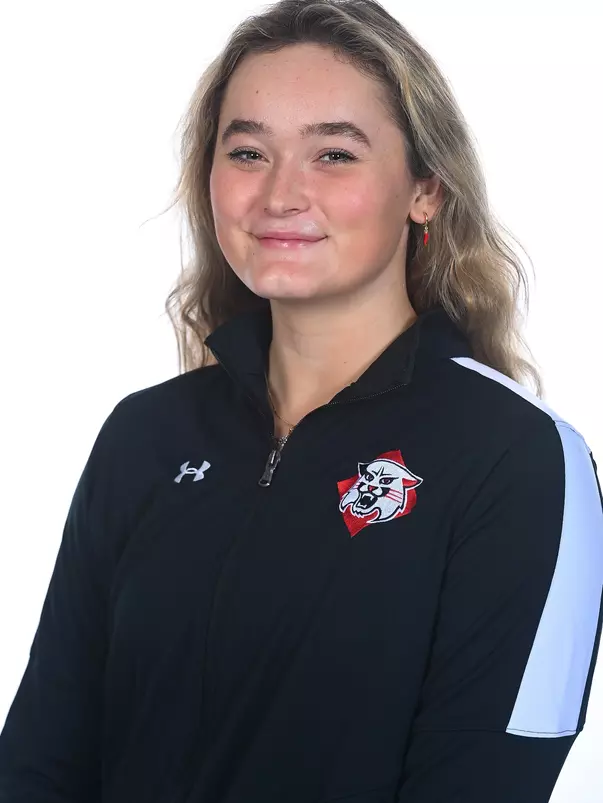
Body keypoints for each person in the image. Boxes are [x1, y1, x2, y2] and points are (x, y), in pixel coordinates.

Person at [1, 0, 602, 801]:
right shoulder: (144, 435)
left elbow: (488, 777)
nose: (280, 194)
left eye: (334, 154)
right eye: (247, 151)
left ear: (425, 187)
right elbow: (42, 752)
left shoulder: (516, 459)